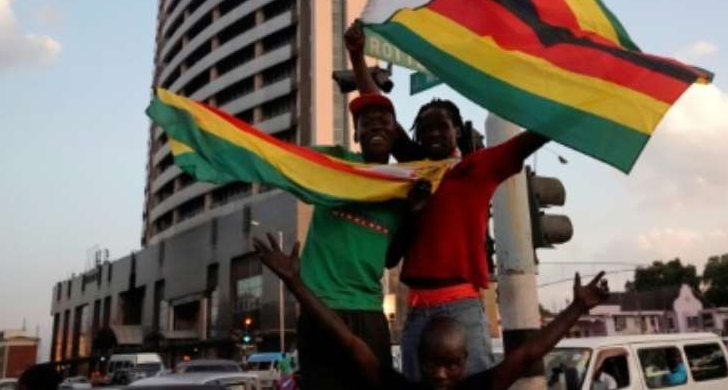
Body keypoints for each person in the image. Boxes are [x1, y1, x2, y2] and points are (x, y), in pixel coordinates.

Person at [345, 21, 551, 380]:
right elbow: (377, 115)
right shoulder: (415, 168)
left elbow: (529, 140)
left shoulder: (477, 168)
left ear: (458, 130)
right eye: (424, 129)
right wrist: (357, 56)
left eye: (441, 126)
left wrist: (574, 107)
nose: (433, 133)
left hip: (463, 309)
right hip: (416, 309)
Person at [252, 232, 610, 390]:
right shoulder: (399, 387)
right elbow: (348, 341)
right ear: (417, 359)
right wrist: (296, 284)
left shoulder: (480, 386)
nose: (440, 375)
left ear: (465, 360)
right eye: (432, 364)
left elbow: (531, 351)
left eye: (451, 364)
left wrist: (577, 307)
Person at [296, 88, 431, 390]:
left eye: (384, 121)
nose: (375, 126)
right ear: (355, 135)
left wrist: (413, 213)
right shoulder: (336, 161)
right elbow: (289, 161)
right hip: (321, 306)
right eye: (366, 122)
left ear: (395, 135)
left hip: (370, 312)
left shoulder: (403, 188)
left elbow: (390, 259)